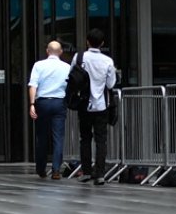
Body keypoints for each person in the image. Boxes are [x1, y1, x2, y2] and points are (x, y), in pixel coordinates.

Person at [77, 28, 117, 186]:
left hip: (84, 104)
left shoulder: (79, 57)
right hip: (101, 105)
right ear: (102, 43)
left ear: (87, 41)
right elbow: (111, 83)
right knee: (101, 140)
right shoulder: (107, 61)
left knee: (85, 138)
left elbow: (73, 77)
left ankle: (86, 171)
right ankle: (100, 174)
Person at [27, 40, 71, 180]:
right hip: (59, 102)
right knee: (58, 137)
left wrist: (32, 103)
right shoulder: (67, 67)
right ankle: (56, 170)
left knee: (42, 136)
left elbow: (33, 85)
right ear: (60, 52)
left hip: (43, 102)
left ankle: (41, 168)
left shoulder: (38, 65)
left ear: (47, 51)